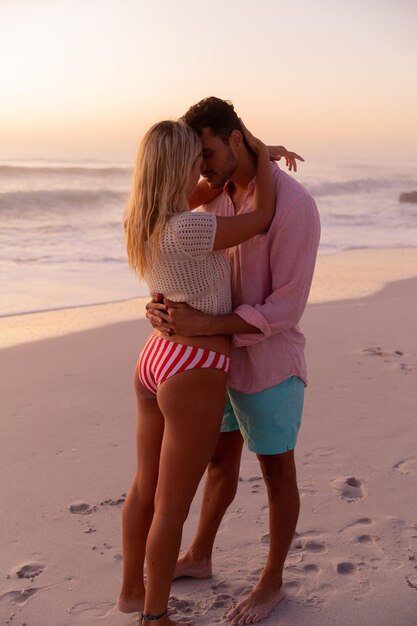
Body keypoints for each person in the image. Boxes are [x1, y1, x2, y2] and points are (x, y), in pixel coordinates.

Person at [146, 97, 321, 625]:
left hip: (268, 362)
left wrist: (202, 326)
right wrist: (161, 305)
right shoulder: (214, 197)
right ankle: (200, 554)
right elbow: (180, 257)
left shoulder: (294, 206)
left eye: (207, 152)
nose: (201, 166)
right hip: (213, 363)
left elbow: (287, 308)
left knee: (276, 473)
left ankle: (271, 581)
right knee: (219, 461)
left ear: (236, 139)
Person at [118, 117, 279, 625]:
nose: (202, 170)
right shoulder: (189, 227)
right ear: (175, 169)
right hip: (194, 364)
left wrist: (223, 171)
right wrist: (262, 157)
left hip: (155, 358)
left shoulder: (144, 220)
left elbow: (203, 191)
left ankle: (131, 592)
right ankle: (155, 616)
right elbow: (261, 218)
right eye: (195, 161)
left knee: (145, 486)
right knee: (171, 503)